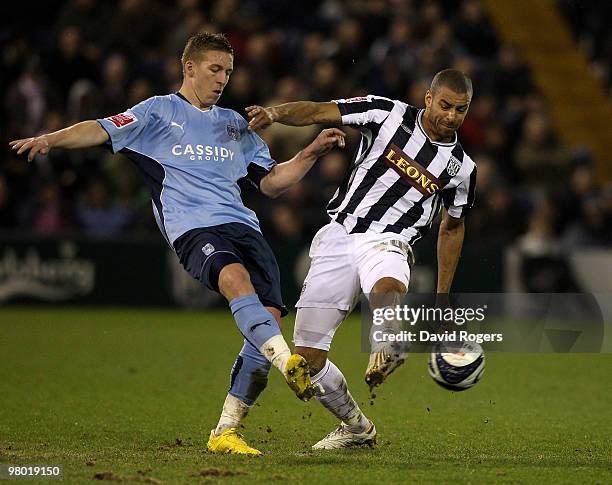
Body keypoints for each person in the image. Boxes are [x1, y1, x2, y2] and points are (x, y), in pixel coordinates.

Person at [10, 32, 346, 455]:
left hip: (245, 227)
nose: (223, 78)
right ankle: (288, 363)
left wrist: (312, 151)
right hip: (194, 228)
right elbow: (98, 129)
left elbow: (273, 183)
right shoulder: (157, 112)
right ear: (189, 67)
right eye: (214, 69)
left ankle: (226, 430)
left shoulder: (234, 124)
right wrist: (50, 138)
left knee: (266, 326)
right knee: (234, 278)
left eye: (228, 71)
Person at [247, 69, 477, 449]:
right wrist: (274, 114)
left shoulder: (462, 169)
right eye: (446, 106)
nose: (451, 116)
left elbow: (452, 229)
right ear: (428, 98)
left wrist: (441, 296)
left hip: (390, 239)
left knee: (386, 282)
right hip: (338, 235)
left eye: (461, 110)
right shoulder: (385, 112)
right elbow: (320, 111)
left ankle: (388, 341)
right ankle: (355, 426)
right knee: (305, 362)